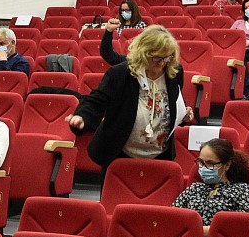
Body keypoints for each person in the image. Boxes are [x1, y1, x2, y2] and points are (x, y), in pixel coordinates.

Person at [66, 26, 194, 167]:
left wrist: (183, 115)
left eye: (167, 57)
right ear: (143, 53)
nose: (163, 63)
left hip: (160, 154)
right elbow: (96, 100)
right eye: (157, 58)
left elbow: (175, 101)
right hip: (121, 152)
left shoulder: (174, 72)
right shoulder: (120, 73)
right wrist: (82, 117)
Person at [173, 138, 249, 237]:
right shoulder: (194, 188)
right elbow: (174, 218)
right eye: (201, 162)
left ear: (227, 165)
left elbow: (243, 226)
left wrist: (199, 230)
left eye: (210, 163)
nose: (203, 167)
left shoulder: (243, 190)